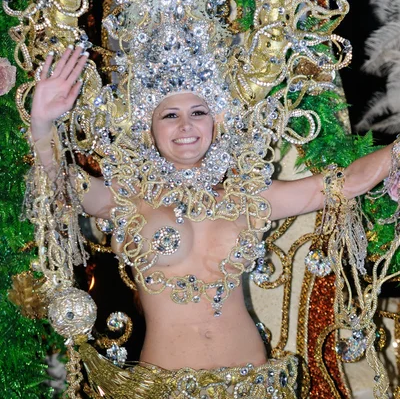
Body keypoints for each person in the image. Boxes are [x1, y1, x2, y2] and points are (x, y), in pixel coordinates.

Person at [29, 29, 395, 398]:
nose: (186, 126)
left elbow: (343, 184)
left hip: (253, 384)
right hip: (166, 387)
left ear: (215, 123)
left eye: (198, 112)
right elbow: (61, 183)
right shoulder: (128, 199)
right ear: (149, 129)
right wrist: (42, 123)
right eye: (170, 114)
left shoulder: (248, 196)